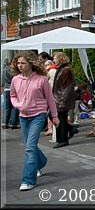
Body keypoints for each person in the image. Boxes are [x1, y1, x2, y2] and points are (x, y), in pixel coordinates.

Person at [10, 51, 60, 191]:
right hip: (23, 116)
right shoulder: (16, 79)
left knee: (30, 147)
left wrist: (54, 117)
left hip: (38, 115)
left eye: (23, 63)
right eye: (18, 63)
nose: (20, 66)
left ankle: (28, 180)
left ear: (31, 64)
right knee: (28, 145)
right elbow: (13, 96)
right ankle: (42, 161)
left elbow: (50, 99)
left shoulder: (41, 79)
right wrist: (18, 105)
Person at [52, 52, 78, 148]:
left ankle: (63, 139)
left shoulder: (66, 70)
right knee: (57, 117)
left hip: (62, 99)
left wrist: (62, 100)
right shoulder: (61, 69)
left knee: (61, 118)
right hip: (58, 97)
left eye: (55, 58)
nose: (54, 60)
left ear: (61, 59)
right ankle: (69, 130)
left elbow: (67, 87)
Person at [2, 57, 20, 129]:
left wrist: (2, 87)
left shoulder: (5, 69)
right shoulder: (16, 70)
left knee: (7, 107)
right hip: (14, 88)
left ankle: (5, 122)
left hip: (6, 88)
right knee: (14, 106)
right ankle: (13, 123)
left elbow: (3, 79)